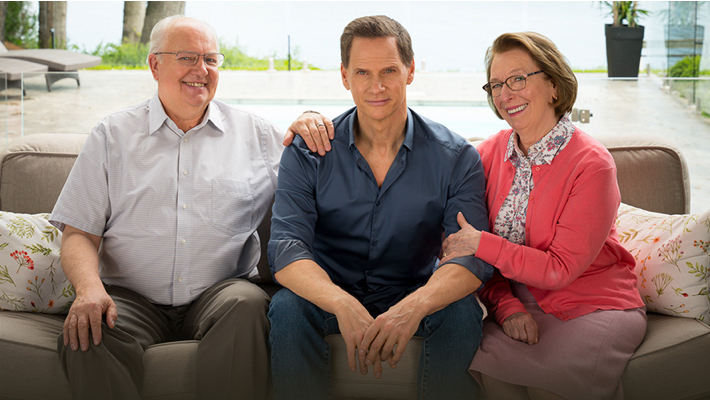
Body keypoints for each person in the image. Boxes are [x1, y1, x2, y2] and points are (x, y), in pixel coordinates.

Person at [50, 16, 288, 400]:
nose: (202, 70)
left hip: (221, 296)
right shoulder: (112, 135)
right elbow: (79, 231)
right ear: (154, 64)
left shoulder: (258, 135)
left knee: (248, 305)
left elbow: (314, 179)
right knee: (87, 331)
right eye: (187, 57)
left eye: (211, 59)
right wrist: (89, 289)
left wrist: (312, 121)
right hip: (129, 298)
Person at [268, 15, 493, 400]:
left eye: (389, 70)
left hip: (413, 290)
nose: (377, 86)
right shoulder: (307, 150)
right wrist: (342, 303)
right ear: (344, 76)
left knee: (461, 313)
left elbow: (471, 258)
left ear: (410, 71)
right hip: (327, 293)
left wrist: (414, 306)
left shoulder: (456, 157)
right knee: (288, 308)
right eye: (363, 72)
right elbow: (287, 248)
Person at [438, 32, 647, 400]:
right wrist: (506, 306)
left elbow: (559, 269)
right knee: (492, 377)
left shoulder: (592, 165)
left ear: (552, 85)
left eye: (518, 78)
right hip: (517, 303)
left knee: (553, 389)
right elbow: (462, 239)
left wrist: (482, 243)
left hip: (593, 304)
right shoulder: (487, 154)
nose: (505, 94)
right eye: (497, 84)